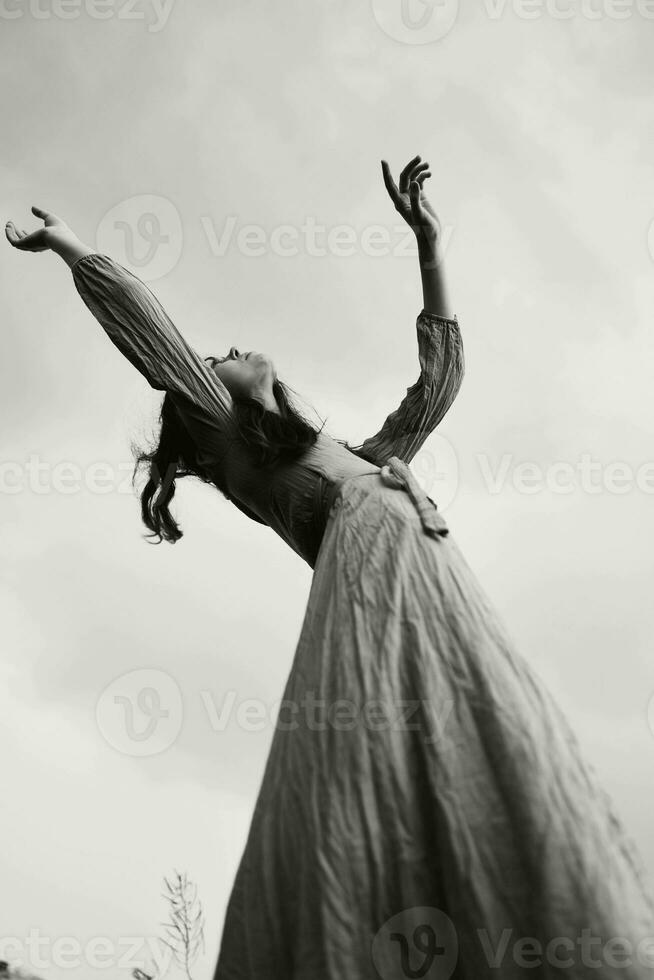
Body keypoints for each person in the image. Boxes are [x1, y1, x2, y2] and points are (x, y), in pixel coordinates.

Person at [6, 157, 654, 979]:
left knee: (473, 711)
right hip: (374, 573)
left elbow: (437, 387)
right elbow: (156, 337)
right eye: (215, 359)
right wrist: (71, 248)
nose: (227, 349)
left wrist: (429, 244)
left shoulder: (345, 455)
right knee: (369, 752)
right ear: (206, 404)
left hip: (422, 554)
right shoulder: (229, 438)